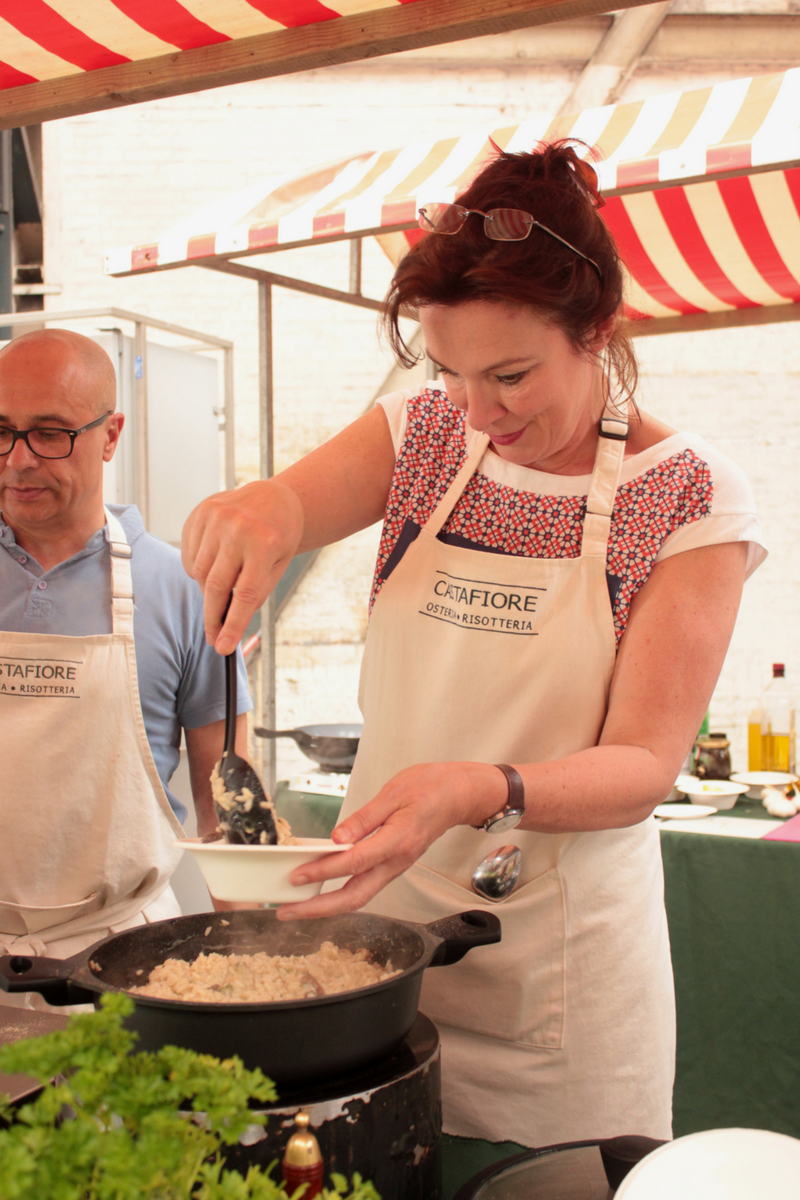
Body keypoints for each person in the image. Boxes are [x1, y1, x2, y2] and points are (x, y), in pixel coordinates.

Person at [182, 143, 766, 1146]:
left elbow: (640, 765)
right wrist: (263, 509)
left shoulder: (686, 497)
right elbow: (289, 503)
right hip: (372, 949)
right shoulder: (421, 435)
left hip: (561, 982)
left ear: (598, 332)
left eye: (510, 375)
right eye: (450, 373)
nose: (481, 416)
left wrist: (475, 788)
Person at [0, 329, 251, 990]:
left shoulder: (180, 588)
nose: (17, 461)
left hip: (124, 961)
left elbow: (225, 803)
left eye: (49, 433)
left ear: (110, 435)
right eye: (1, 430)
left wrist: (250, 964)